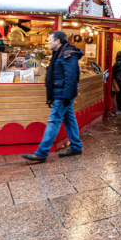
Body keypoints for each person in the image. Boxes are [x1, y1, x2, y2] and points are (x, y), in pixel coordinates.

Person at [22, 31, 84, 163]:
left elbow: (71, 76)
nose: (48, 42)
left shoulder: (68, 54)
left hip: (62, 93)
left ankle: (41, 152)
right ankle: (76, 146)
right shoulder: (60, 52)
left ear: (58, 41)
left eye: (50, 40)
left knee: (54, 120)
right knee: (69, 119)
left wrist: (67, 95)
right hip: (60, 91)